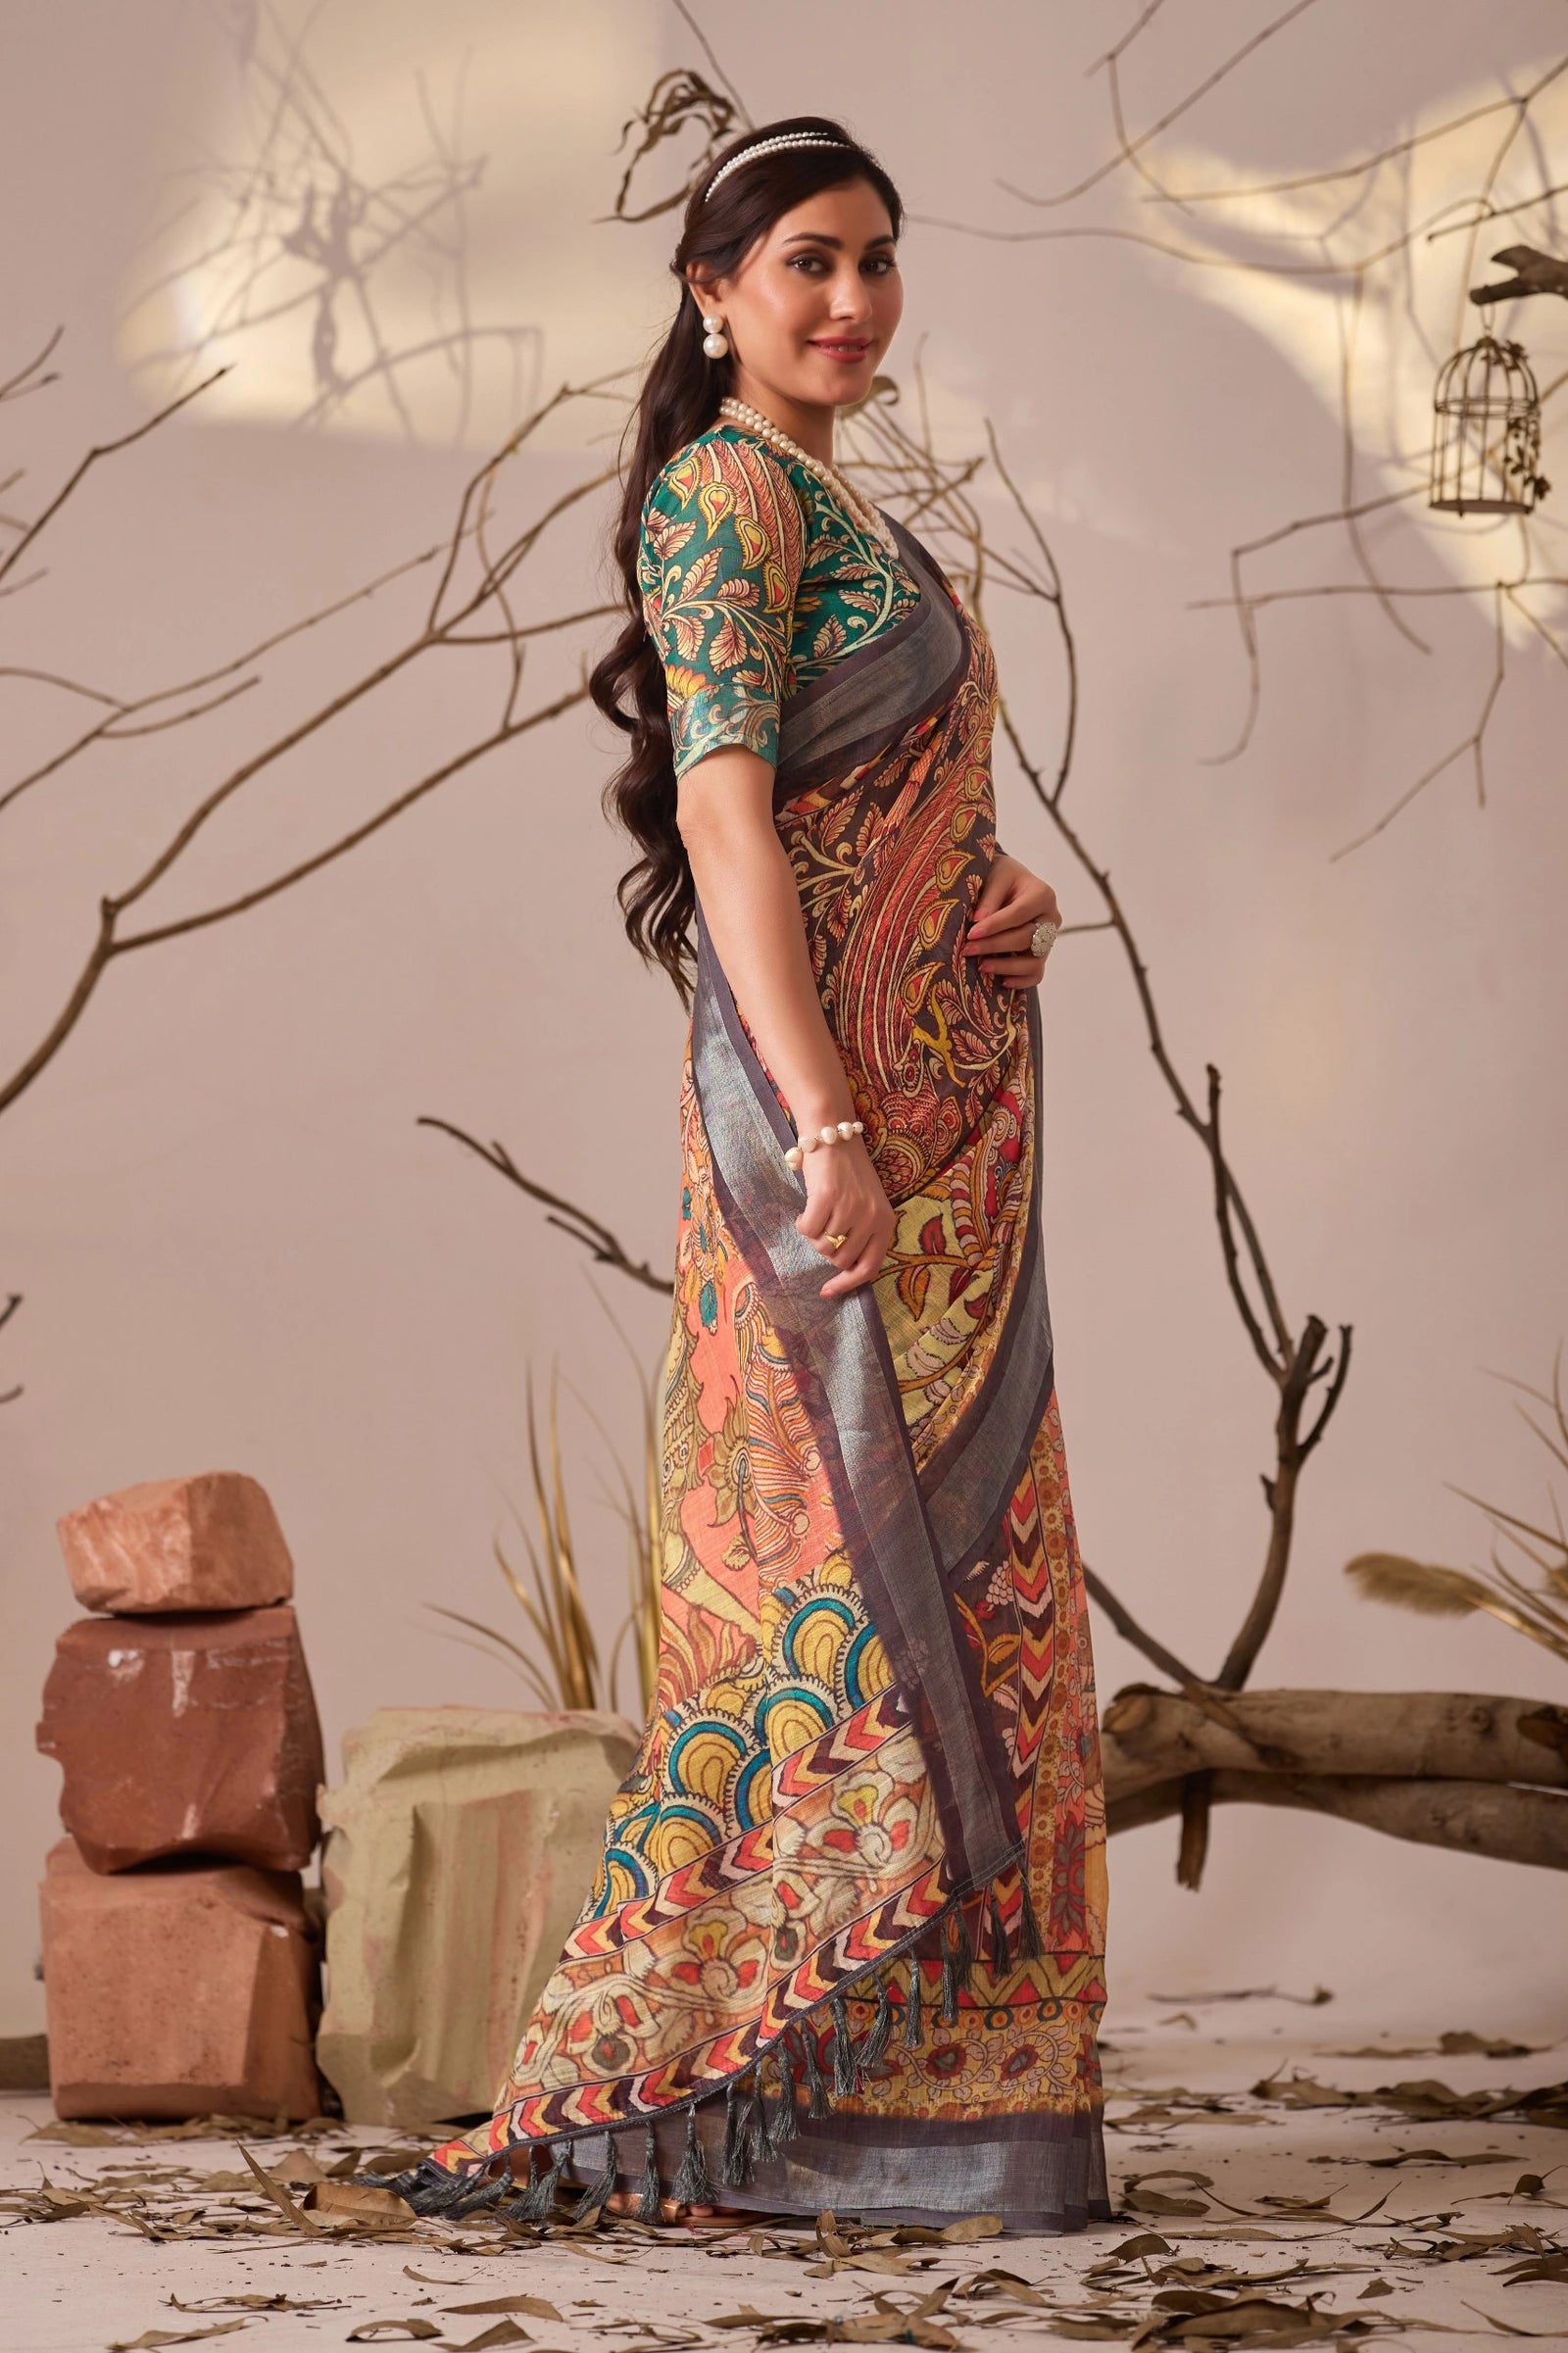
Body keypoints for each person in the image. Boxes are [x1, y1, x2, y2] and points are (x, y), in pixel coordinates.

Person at [382, 114, 1108, 2233]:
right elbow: (720, 829)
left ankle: (920, 2120)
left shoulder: (822, 495)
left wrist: (980, 900)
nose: (850, 302)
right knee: (827, 1583)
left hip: (945, 1119)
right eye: (804, 261)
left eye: (877, 261)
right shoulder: (719, 495)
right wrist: (819, 1121)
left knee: (973, 1608)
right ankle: (735, 2088)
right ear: (709, 292)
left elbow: (844, 811)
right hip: (838, 1135)